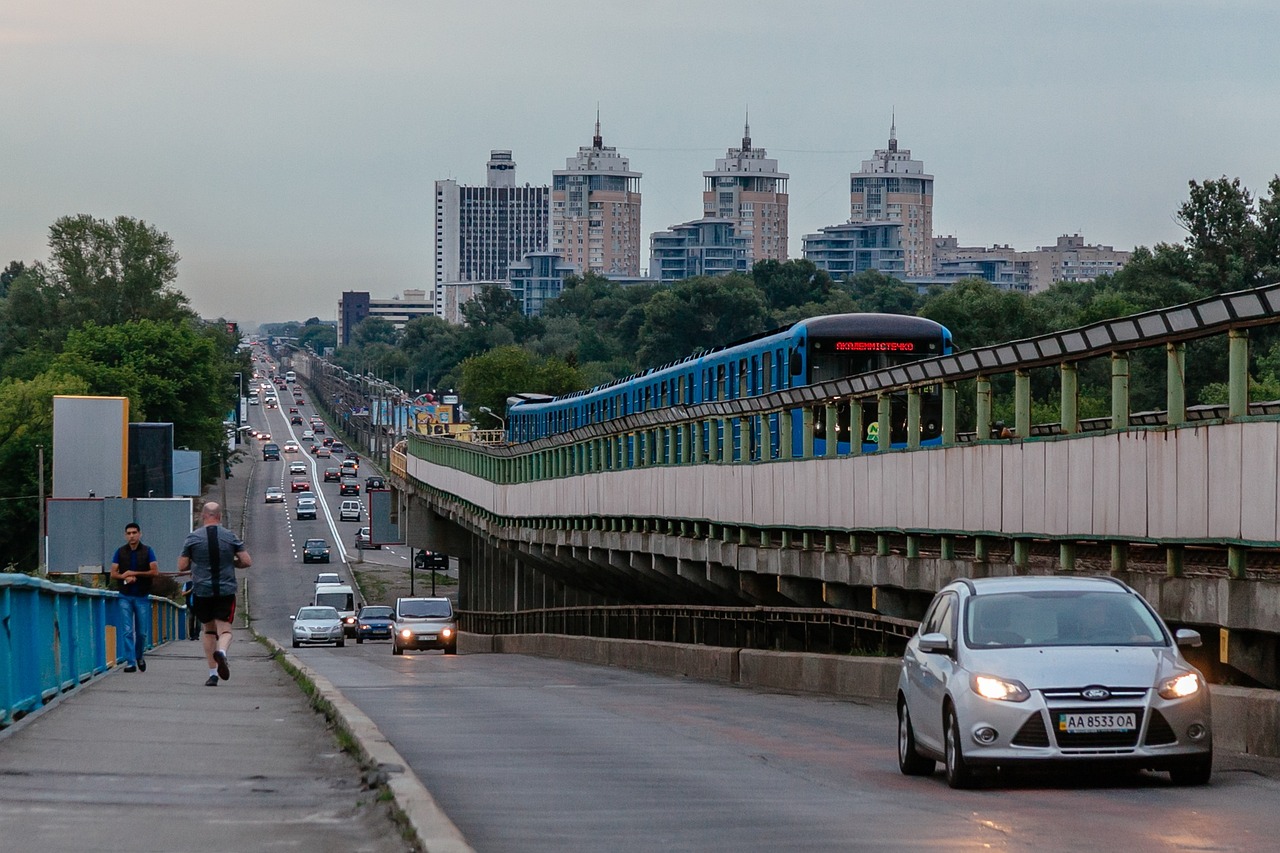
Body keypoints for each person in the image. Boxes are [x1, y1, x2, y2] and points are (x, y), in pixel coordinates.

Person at [178, 502, 252, 686]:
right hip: (225, 590)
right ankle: (222, 652)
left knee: (208, 630)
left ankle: (213, 674)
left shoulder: (193, 538)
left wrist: (196, 564)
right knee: (225, 629)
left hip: (202, 591)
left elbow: (182, 566)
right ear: (219, 517)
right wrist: (232, 563)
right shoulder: (230, 537)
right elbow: (246, 561)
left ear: (203, 516)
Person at [110, 522, 160, 673]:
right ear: (125, 535)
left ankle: (139, 655)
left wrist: (135, 573)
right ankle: (130, 662)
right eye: (129, 533)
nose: (131, 536)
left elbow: (154, 571)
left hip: (141, 596)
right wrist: (124, 576)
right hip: (125, 595)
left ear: (140, 534)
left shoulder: (147, 551)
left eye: (134, 533)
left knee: (142, 632)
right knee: (127, 630)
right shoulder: (120, 552)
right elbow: (113, 573)